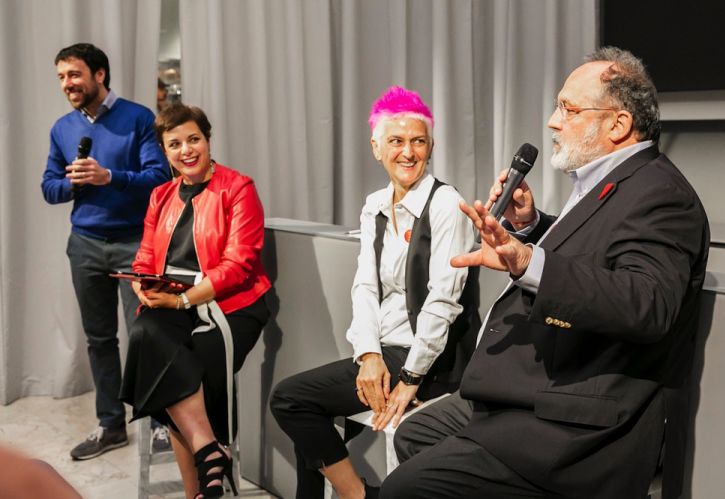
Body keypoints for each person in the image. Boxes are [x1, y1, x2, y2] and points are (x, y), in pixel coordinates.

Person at [380, 47, 710, 499]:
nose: (553, 122)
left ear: (618, 124)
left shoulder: (663, 195)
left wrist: (526, 260)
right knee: (413, 435)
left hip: (578, 424)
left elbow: (646, 303)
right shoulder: (615, 182)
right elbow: (598, 251)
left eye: (568, 110)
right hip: (530, 392)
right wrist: (533, 226)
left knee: (405, 489)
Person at [270, 86, 480, 499]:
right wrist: (367, 355)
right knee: (303, 408)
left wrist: (410, 377)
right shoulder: (376, 205)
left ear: (431, 146)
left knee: (291, 399)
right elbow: (365, 287)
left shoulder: (445, 205)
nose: (408, 152)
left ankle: (361, 496)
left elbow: (443, 302)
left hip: (431, 358)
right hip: (386, 351)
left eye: (418, 141)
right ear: (376, 147)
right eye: (396, 141)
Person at [119, 103, 272, 498]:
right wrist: (142, 286)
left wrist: (184, 301)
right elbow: (145, 259)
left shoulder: (238, 188)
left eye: (193, 140)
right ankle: (209, 455)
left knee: (184, 368)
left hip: (233, 304)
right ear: (165, 151)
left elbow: (239, 266)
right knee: (145, 332)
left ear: (207, 140)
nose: (186, 150)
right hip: (175, 299)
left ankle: (201, 486)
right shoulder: (160, 195)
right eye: (175, 144)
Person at [41, 42, 172, 460]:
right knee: (100, 339)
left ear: (99, 74)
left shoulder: (138, 118)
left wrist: (109, 175)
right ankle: (111, 425)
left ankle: (158, 426)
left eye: (74, 74)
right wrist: (77, 183)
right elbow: (49, 188)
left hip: (135, 243)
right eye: (62, 76)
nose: (67, 84)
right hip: (84, 245)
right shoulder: (62, 128)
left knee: (145, 337)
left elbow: (159, 177)